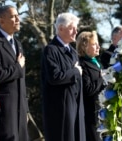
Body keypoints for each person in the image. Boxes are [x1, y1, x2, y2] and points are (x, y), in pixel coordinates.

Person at [0, 5, 29, 141]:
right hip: (6, 109)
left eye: (18, 15)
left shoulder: (18, 44)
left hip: (21, 108)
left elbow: (22, 81)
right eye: (13, 16)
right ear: (1, 21)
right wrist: (17, 67)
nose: (18, 19)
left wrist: (26, 108)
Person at [41, 12, 86, 141]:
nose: (76, 31)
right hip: (60, 112)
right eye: (72, 28)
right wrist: (76, 72)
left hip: (76, 108)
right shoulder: (51, 50)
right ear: (61, 28)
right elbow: (55, 77)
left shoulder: (72, 52)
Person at [76, 31, 106, 141]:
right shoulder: (82, 64)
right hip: (91, 115)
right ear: (84, 47)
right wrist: (102, 78)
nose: (98, 46)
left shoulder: (97, 63)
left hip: (103, 113)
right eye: (94, 44)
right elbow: (88, 89)